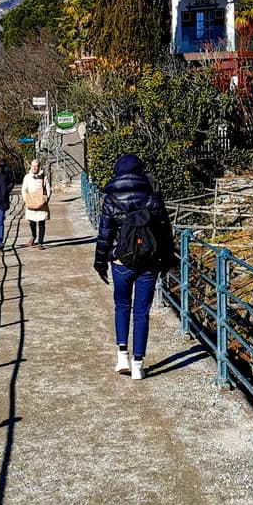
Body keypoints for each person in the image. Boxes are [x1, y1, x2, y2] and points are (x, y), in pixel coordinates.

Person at [93, 152, 175, 380]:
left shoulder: (110, 199)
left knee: (121, 306)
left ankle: (122, 356)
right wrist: (168, 261)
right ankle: (138, 365)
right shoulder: (152, 197)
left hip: (121, 261)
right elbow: (165, 234)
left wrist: (100, 262)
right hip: (148, 263)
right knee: (142, 312)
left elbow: (105, 235)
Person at [20, 158, 50, 249]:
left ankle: (40, 242)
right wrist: (26, 200)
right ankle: (33, 236)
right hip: (30, 203)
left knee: (41, 223)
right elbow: (24, 190)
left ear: (39, 167)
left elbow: (48, 189)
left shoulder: (44, 177)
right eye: (33, 166)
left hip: (41, 203)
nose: (34, 168)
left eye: (36, 166)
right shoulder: (27, 177)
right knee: (32, 222)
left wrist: (46, 199)